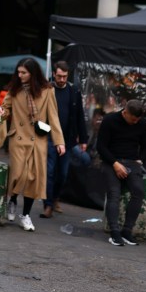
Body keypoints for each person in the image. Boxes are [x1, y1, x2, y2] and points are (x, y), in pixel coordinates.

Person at [2, 58, 64, 233]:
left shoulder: (47, 90)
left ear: (33, 73)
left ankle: (25, 215)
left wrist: (59, 141)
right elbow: (6, 108)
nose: (20, 75)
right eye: (19, 72)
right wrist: (0, 113)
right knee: (18, 173)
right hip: (18, 137)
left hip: (38, 139)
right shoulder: (14, 88)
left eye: (24, 72)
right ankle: (12, 200)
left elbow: (53, 116)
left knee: (33, 178)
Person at [97, 100, 146, 247]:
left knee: (138, 191)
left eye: (137, 120)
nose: (135, 122)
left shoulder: (141, 124)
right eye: (133, 119)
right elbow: (101, 146)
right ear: (125, 112)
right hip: (111, 160)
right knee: (114, 193)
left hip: (132, 161)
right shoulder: (110, 120)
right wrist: (115, 163)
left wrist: (141, 160)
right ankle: (114, 232)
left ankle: (127, 230)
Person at [41, 61, 88, 219]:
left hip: (67, 138)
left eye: (65, 76)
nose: (62, 79)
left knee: (63, 173)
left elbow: (80, 115)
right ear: (54, 74)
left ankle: (55, 198)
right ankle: (47, 205)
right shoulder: (47, 89)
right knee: (50, 172)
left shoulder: (73, 90)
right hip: (48, 136)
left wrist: (83, 139)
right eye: (59, 76)